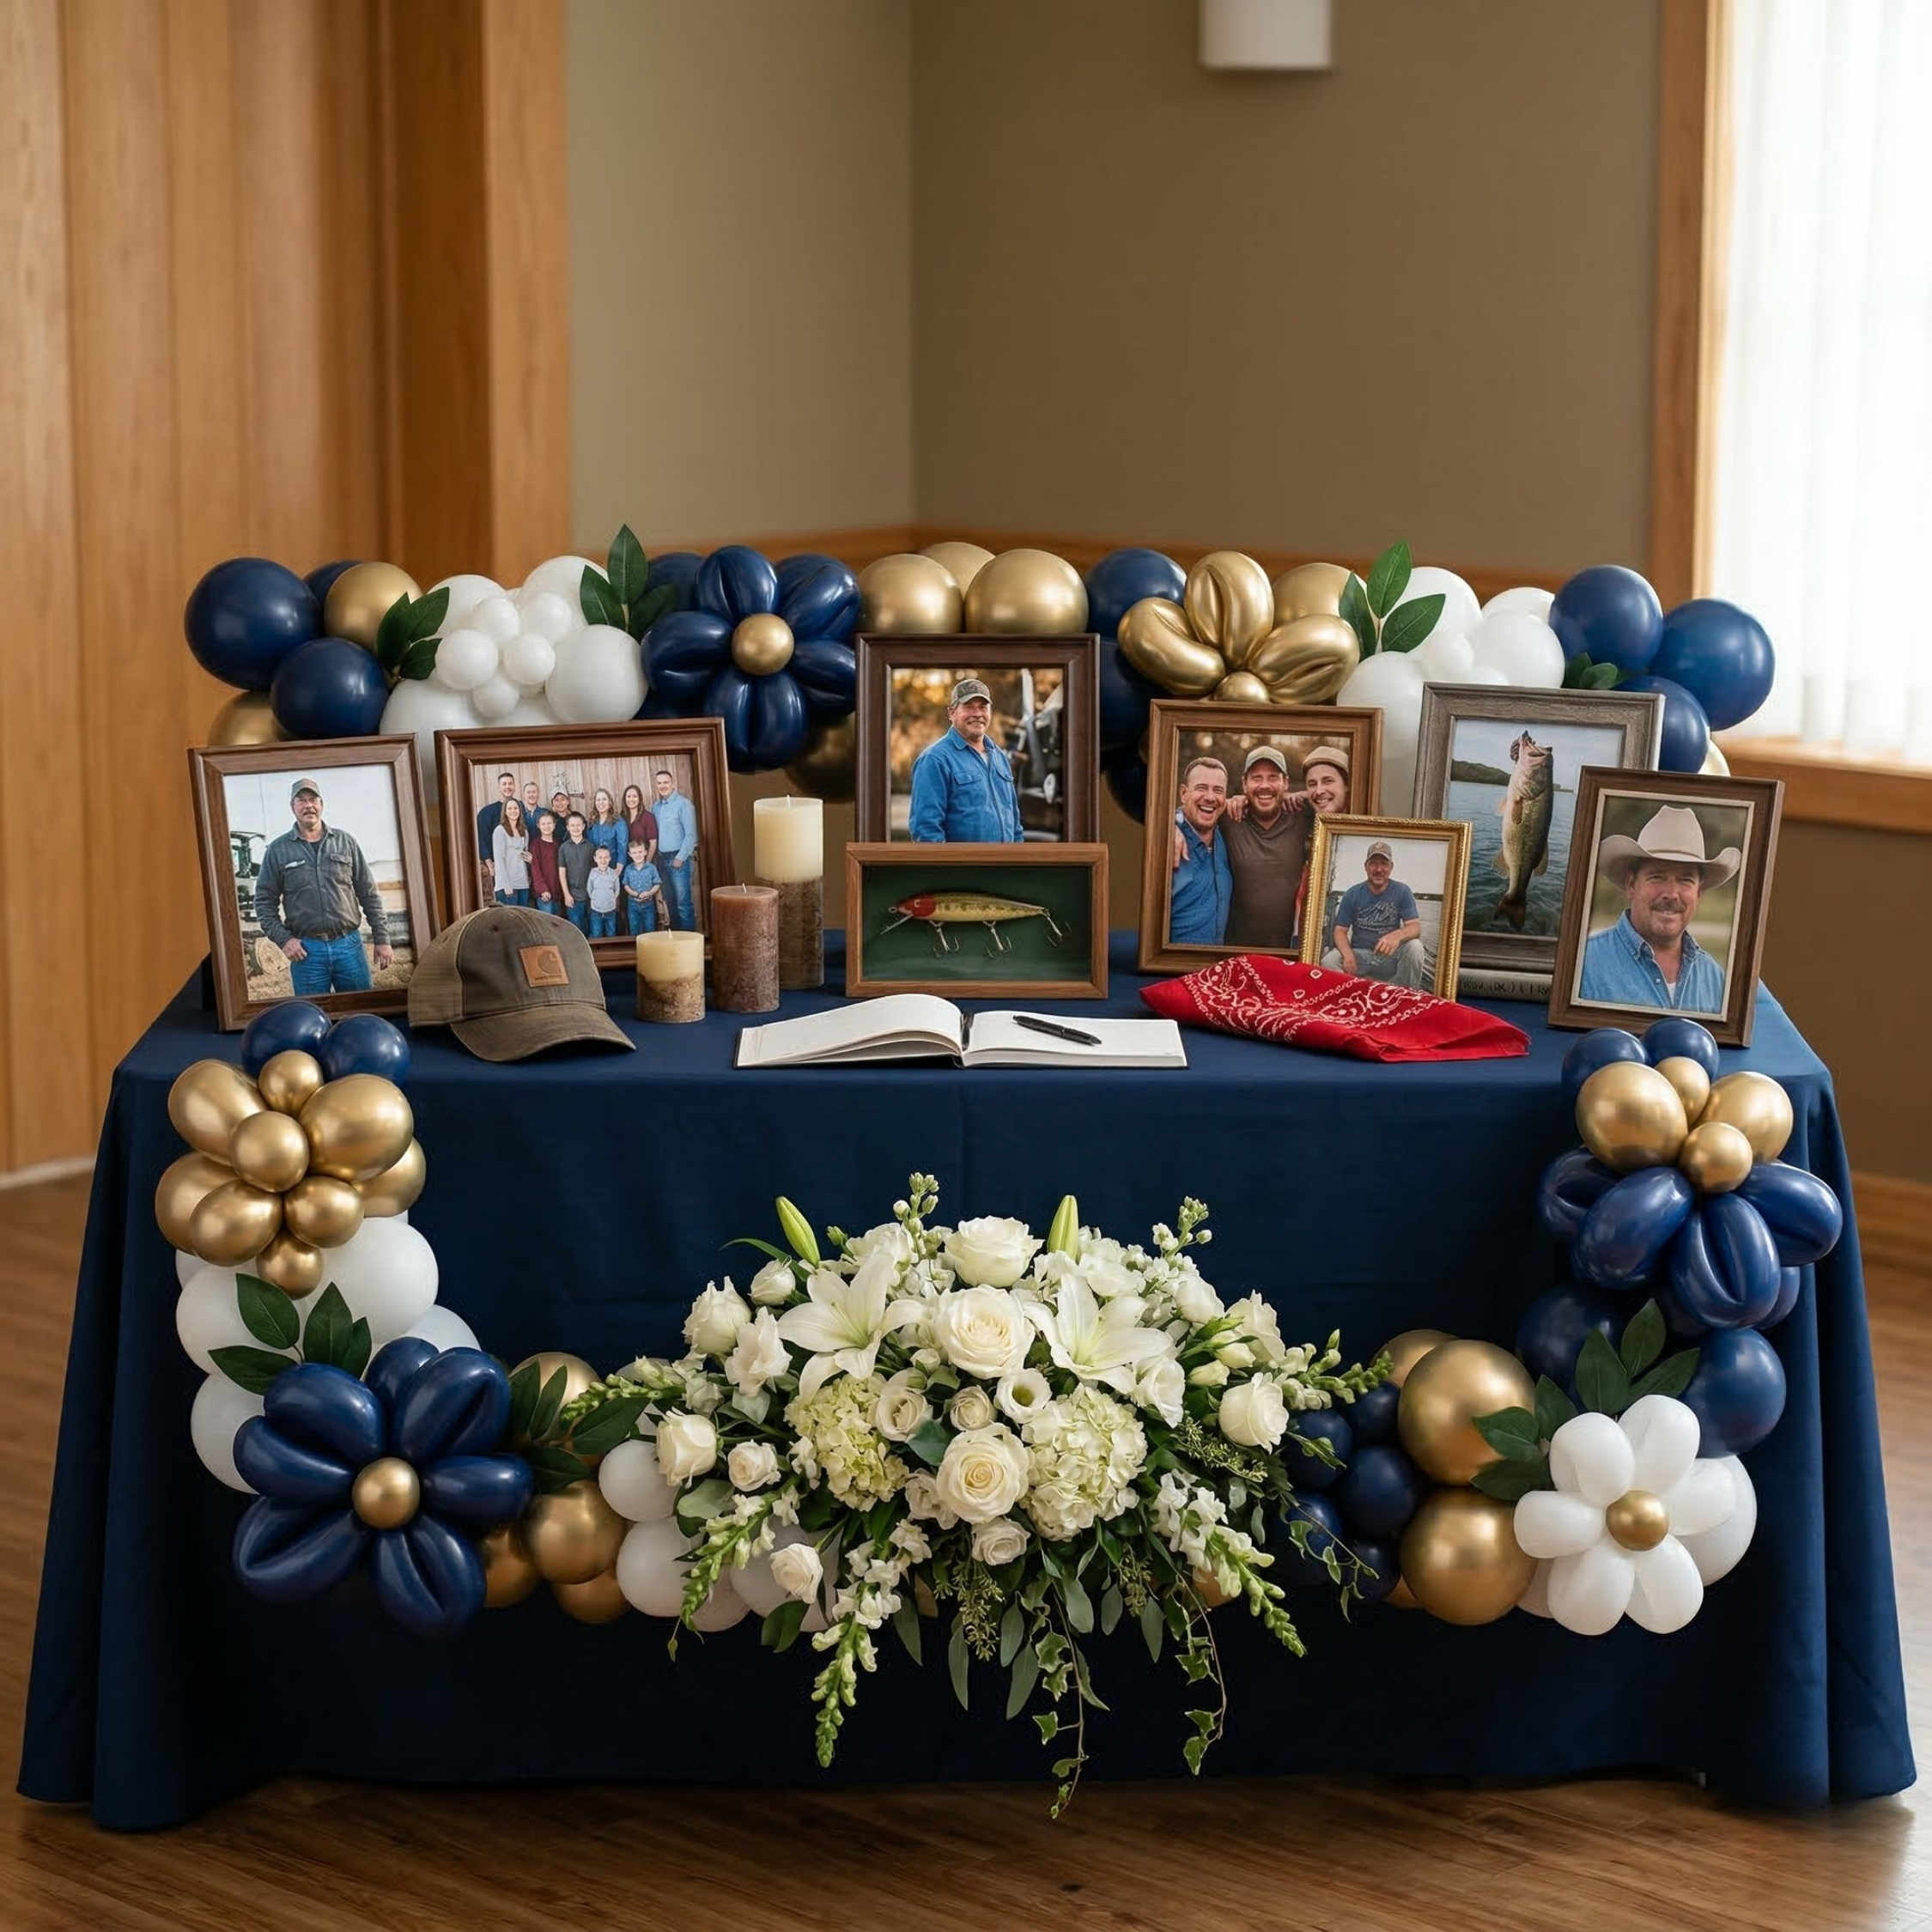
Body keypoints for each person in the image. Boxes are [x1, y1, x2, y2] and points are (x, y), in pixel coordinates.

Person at [1578, 805, 1735, 1013]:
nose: (1671, 893)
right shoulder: (1584, 964)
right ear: (1631, 884)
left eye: (1685, 880)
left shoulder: (1715, 978)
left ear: (1699, 893)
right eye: (1657, 877)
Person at [253, 776, 394, 994]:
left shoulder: (346, 842)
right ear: (292, 807)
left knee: (360, 1012)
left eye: (313, 799)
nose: (308, 805)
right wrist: (285, 940)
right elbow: (263, 901)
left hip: (349, 947)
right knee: (311, 1015)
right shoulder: (277, 850)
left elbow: (369, 894)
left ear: (321, 805)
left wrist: (382, 939)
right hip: (307, 951)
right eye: (301, 800)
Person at [908, 677, 1024, 843]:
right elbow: (926, 831)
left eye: (983, 707)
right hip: (963, 869)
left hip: (1006, 867)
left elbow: (1015, 826)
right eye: (968, 707)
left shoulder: (1000, 757)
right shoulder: (934, 760)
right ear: (951, 712)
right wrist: (952, 868)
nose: (977, 714)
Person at [1220, 745, 1311, 948]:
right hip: (1235, 951)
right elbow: (1191, 810)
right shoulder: (1229, 817)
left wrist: (1302, 795)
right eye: (1256, 778)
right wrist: (1178, 828)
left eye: (1273, 778)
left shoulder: (1301, 816)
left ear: (1285, 783)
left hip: (1288, 952)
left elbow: (1334, 797)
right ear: (1244, 784)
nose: (1264, 785)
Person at [1322, 840, 1428, 987]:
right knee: (1329, 961)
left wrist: (1396, 936)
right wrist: (1348, 955)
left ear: (1391, 867)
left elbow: (1415, 927)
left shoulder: (1402, 891)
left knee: (1415, 947)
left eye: (1384, 863)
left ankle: (1402, 995)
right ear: (1365, 867)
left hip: (1389, 957)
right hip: (1360, 957)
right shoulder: (1352, 894)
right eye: (1373, 863)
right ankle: (1358, 992)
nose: (1379, 869)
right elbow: (1340, 931)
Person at [1166, 756, 1234, 945]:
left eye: (1218, 790)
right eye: (1202, 788)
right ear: (1183, 793)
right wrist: (1168, 824)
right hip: (1172, 967)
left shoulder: (1228, 834)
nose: (1210, 797)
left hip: (1216, 968)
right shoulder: (1166, 840)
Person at [653, 769, 699, 929]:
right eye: (659, 783)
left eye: (666, 782)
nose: (662, 786)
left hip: (679, 859)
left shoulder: (683, 805)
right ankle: (676, 940)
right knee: (670, 903)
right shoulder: (656, 808)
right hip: (662, 860)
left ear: (673, 784)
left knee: (683, 904)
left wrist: (681, 858)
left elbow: (691, 835)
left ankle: (690, 943)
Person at [476, 769, 517, 902]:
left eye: (510, 784)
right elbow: (481, 838)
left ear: (514, 786)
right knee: (502, 902)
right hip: (497, 865)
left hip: (516, 866)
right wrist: (489, 863)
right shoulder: (487, 812)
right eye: (504, 784)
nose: (508, 787)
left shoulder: (519, 809)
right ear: (499, 788)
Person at [557, 811, 597, 933]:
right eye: (572, 825)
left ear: (584, 826)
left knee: (592, 928)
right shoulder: (563, 848)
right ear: (568, 827)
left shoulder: (590, 847)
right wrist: (566, 895)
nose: (576, 828)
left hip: (590, 896)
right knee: (576, 929)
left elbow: (595, 872)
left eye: (578, 825)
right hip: (573, 896)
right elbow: (562, 873)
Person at [622, 836, 667, 934]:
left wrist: (650, 892)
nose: (637, 855)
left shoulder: (651, 868)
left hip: (648, 905)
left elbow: (657, 883)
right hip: (633, 905)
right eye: (634, 853)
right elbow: (625, 884)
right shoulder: (628, 869)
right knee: (634, 930)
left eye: (640, 852)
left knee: (649, 930)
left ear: (645, 852)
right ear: (630, 854)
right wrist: (631, 892)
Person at [491, 797, 531, 906]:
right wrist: (506, 884)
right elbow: (499, 859)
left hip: (523, 884)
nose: (513, 811)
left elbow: (524, 855)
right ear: (505, 812)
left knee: (522, 920)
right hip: (507, 885)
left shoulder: (524, 831)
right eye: (510, 809)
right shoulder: (500, 831)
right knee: (509, 922)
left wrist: (531, 859)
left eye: (516, 808)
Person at [528, 809, 562, 920]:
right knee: (547, 925)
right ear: (538, 825)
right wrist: (542, 889)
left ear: (554, 825)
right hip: (544, 894)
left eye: (549, 823)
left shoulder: (558, 845)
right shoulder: (535, 845)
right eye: (543, 824)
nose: (546, 826)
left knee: (557, 924)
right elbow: (535, 869)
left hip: (557, 892)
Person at [587, 788, 629, 877]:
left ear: (610, 802)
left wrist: (620, 864)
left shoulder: (618, 822)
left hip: (614, 866)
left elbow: (622, 845)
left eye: (604, 799)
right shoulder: (592, 823)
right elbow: (590, 846)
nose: (601, 802)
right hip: (597, 868)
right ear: (595, 803)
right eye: (598, 800)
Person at [585, 845, 623, 939]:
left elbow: (617, 888)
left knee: (611, 932)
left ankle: (611, 951)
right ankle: (597, 952)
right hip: (596, 910)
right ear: (595, 859)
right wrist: (594, 898)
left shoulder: (613, 873)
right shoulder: (593, 873)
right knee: (596, 933)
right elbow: (589, 888)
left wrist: (614, 898)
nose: (603, 860)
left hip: (610, 909)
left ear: (610, 859)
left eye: (606, 857)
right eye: (600, 857)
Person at [621, 781, 659, 867]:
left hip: (645, 862)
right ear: (625, 799)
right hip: (627, 864)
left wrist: (646, 864)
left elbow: (653, 844)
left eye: (635, 796)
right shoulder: (621, 818)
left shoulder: (648, 817)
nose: (631, 799)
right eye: (628, 796)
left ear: (639, 799)